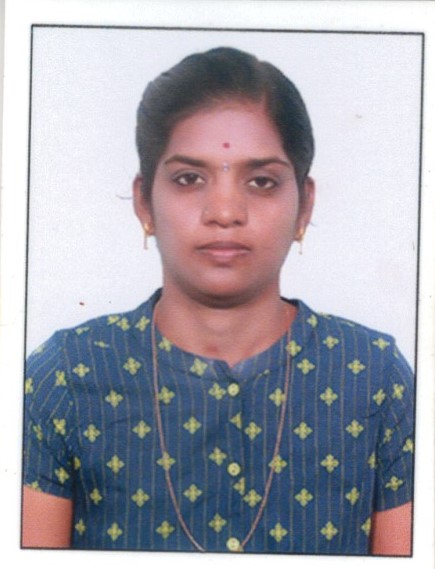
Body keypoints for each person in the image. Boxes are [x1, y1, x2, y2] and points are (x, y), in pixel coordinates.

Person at [22, 47, 414, 555]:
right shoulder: (65, 378)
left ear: (304, 206)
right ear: (144, 202)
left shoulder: (374, 379)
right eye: (189, 179)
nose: (225, 211)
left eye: (261, 181)